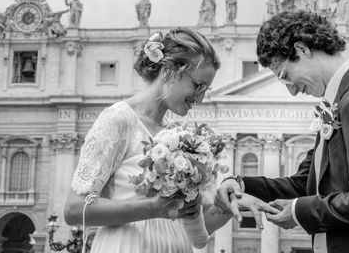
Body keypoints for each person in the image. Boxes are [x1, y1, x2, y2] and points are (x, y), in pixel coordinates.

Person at [215, 11, 349, 253]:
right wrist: (240, 184)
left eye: (285, 76)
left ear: (303, 50)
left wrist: (298, 211)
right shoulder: (341, 100)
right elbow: (306, 184)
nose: (292, 91)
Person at [64, 27, 233, 252]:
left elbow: (190, 227)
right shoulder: (118, 119)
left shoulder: (177, 134)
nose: (201, 98)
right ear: (170, 71)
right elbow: (74, 209)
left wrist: (230, 206)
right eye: (198, 86)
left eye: (206, 89)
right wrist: (153, 208)